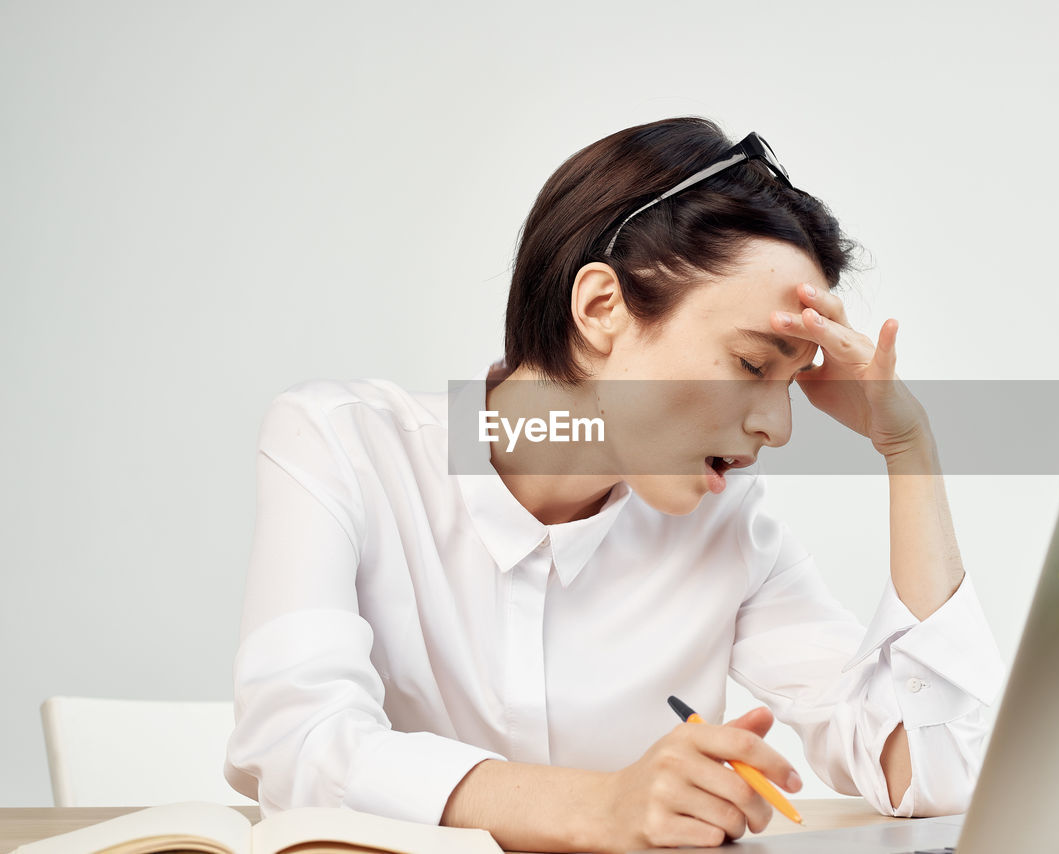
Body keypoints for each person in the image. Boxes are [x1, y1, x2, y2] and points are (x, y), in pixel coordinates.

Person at [224, 116, 1005, 854]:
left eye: (795, 381)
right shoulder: (345, 444)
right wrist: (603, 807)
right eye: (752, 365)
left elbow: (937, 774)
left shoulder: (730, 533)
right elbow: (296, 746)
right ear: (601, 307)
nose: (779, 427)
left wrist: (909, 447)